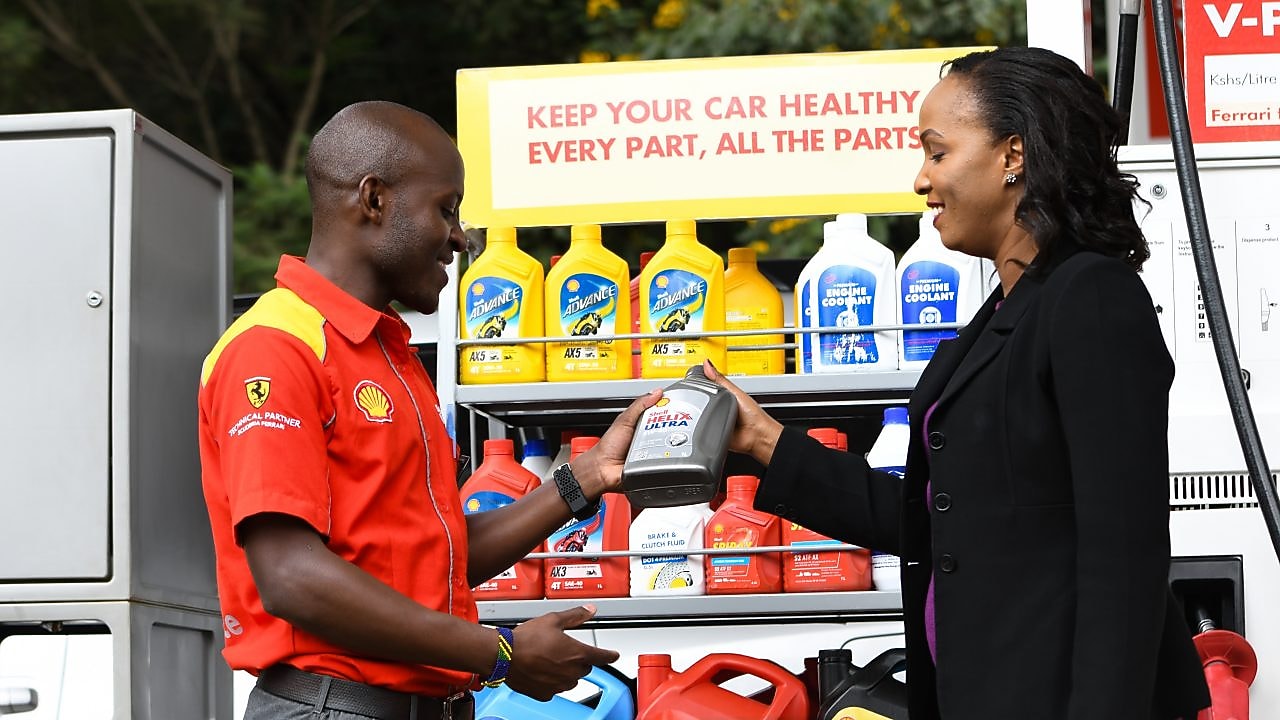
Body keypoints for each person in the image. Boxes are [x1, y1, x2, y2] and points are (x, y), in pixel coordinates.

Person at [703, 47, 1211, 719]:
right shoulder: (1005, 312)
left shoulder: (1090, 296)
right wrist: (766, 441)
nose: (921, 180)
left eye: (936, 153)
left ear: (1013, 156)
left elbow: (1125, 554)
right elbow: (939, 525)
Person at [197, 101, 660, 720]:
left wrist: (587, 479)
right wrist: (501, 654)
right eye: (447, 208)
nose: (460, 236)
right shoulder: (275, 349)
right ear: (373, 198)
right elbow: (291, 576)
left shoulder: (386, 354)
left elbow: (434, 559)